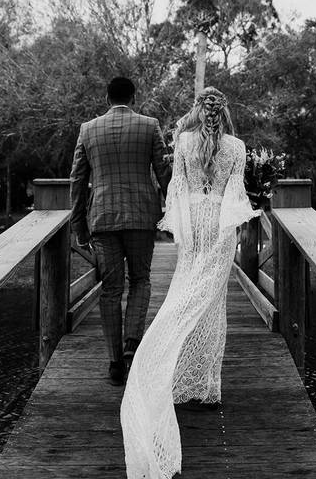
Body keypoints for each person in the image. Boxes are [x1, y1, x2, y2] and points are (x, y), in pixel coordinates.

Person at [120, 87, 260, 479]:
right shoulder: (238, 146)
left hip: (194, 221)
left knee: (185, 290)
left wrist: (179, 230)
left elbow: (176, 190)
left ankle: (188, 374)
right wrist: (232, 225)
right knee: (210, 302)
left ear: (199, 109)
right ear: (225, 112)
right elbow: (235, 193)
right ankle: (204, 383)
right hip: (219, 222)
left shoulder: (182, 140)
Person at [69, 76, 172, 386]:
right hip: (141, 216)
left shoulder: (88, 129)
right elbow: (163, 173)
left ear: (106, 98)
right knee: (140, 280)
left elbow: (77, 181)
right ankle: (131, 345)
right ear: (134, 97)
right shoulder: (149, 125)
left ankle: (115, 362)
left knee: (111, 289)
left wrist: (78, 225)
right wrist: (177, 211)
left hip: (102, 217)